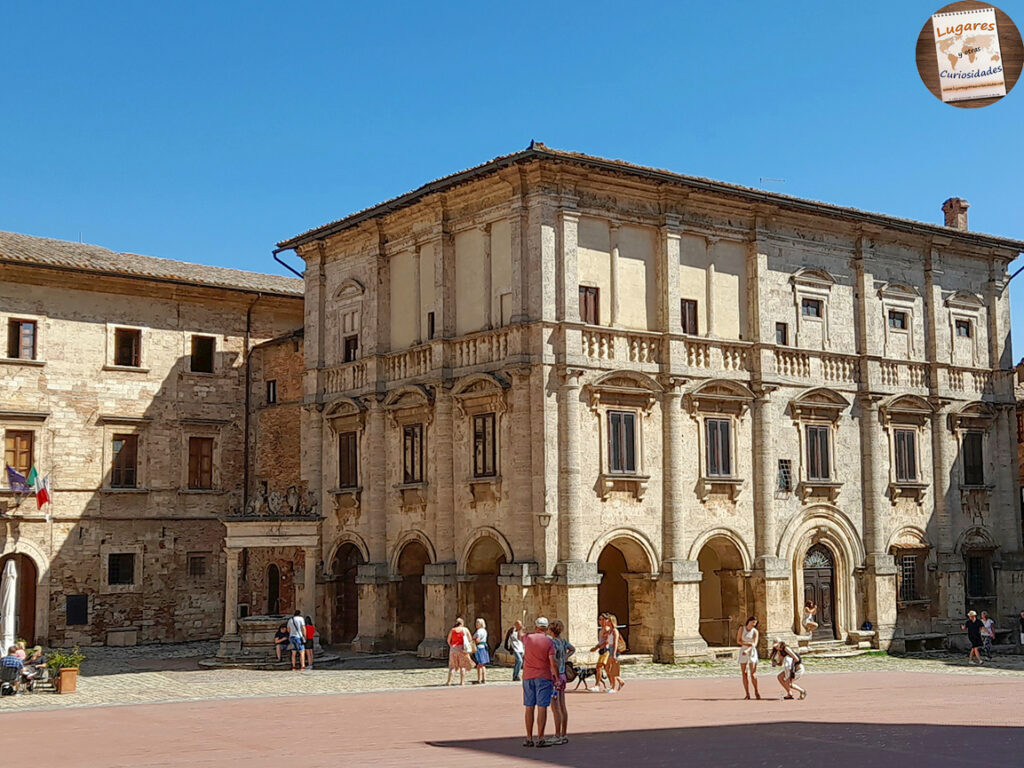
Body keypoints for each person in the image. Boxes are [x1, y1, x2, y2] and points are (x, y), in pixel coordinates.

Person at [521, 616, 558, 748]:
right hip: (543, 676)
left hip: (528, 676)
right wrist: (557, 678)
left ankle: (529, 738)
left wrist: (520, 627)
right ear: (547, 628)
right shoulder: (549, 642)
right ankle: (541, 737)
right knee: (542, 707)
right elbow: (553, 662)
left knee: (529, 706)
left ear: (536, 627)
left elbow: (521, 635)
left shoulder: (528, 638)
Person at [548, 619, 575, 745]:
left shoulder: (552, 643)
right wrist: (565, 658)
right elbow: (573, 649)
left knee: (555, 707)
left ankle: (557, 734)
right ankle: (564, 733)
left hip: (555, 676)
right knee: (563, 706)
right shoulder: (563, 641)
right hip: (563, 675)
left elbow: (552, 660)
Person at [737, 616, 761, 700]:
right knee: (744, 673)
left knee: (753, 674)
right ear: (749, 621)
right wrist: (747, 645)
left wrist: (748, 649)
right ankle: (747, 693)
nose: (754, 624)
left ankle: (756, 691)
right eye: (753, 622)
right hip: (743, 650)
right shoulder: (742, 629)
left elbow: (754, 644)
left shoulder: (755, 632)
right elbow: (738, 640)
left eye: (755, 623)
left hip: (752, 652)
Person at [445, 618, 473, 686]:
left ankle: (449, 682)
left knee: (452, 666)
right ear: (462, 623)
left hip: (454, 649)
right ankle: (462, 682)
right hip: (462, 649)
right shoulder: (465, 629)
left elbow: (448, 640)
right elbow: (470, 639)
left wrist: (452, 646)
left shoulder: (452, 630)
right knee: (462, 666)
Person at [589, 614, 611, 692]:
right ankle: (615, 683)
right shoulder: (601, 630)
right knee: (606, 669)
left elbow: (608, 641)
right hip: (602, 651)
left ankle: (597, 685)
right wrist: (596, 647)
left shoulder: (608, 629)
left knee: (599, 667)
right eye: (599, 619)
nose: (600, 621)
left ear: (606, 620)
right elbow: (601, 641)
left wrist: (597, 647)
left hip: (606, 651)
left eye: (602, 619)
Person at [605, 613, 625, 693]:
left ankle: (613, 687)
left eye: (608, 620)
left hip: (614, 650)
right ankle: (620, 681)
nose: (607, 621)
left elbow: (615, 642)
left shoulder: (615, 631)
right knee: (607, 668)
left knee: (613, 669)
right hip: (610, 649)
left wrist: (614, 653)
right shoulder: (609, 631)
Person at [473, 618, 490, 684]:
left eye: (478, 623)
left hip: (479, 647)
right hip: (483, 647)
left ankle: (479, 679)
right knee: (482, 664)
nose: (476, 624)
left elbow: (477, 639)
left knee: (480, 664)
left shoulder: (479, 631)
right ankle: (484, 679)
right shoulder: (484, 631)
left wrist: (473, 640)